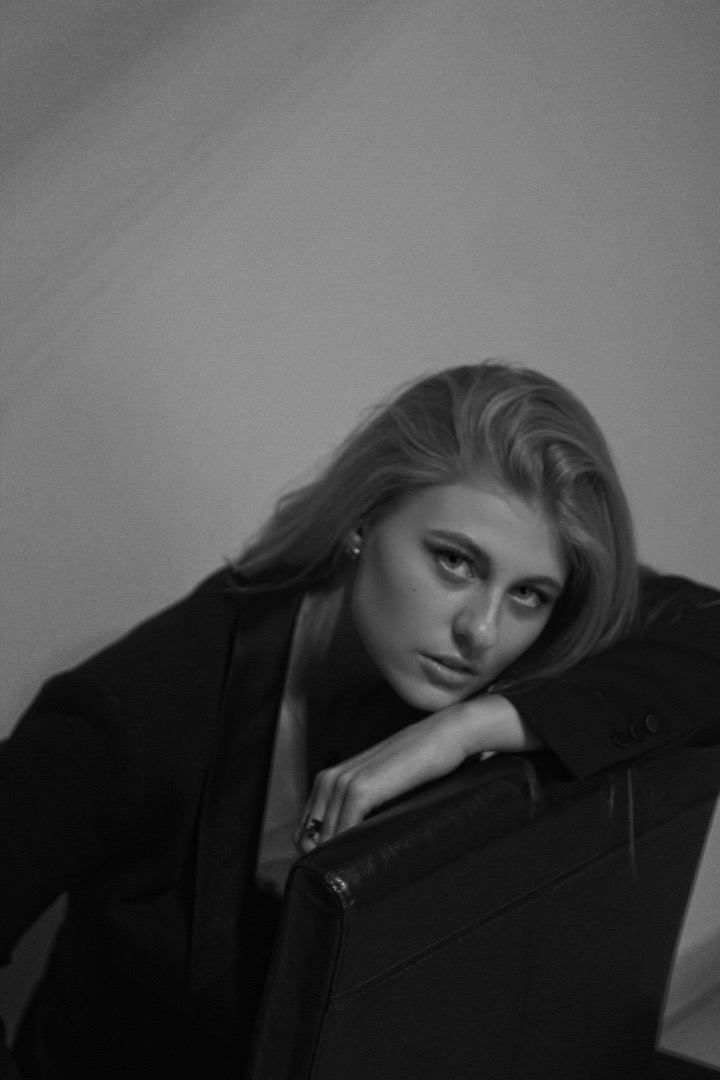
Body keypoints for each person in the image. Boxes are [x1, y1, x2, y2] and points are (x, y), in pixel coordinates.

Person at [1, 361, 719, 1078]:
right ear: (362, 517)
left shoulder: (489, 668)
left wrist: (467, 729)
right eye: (454, 561)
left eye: (528, 593)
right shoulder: (134, 716)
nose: (481, 631)